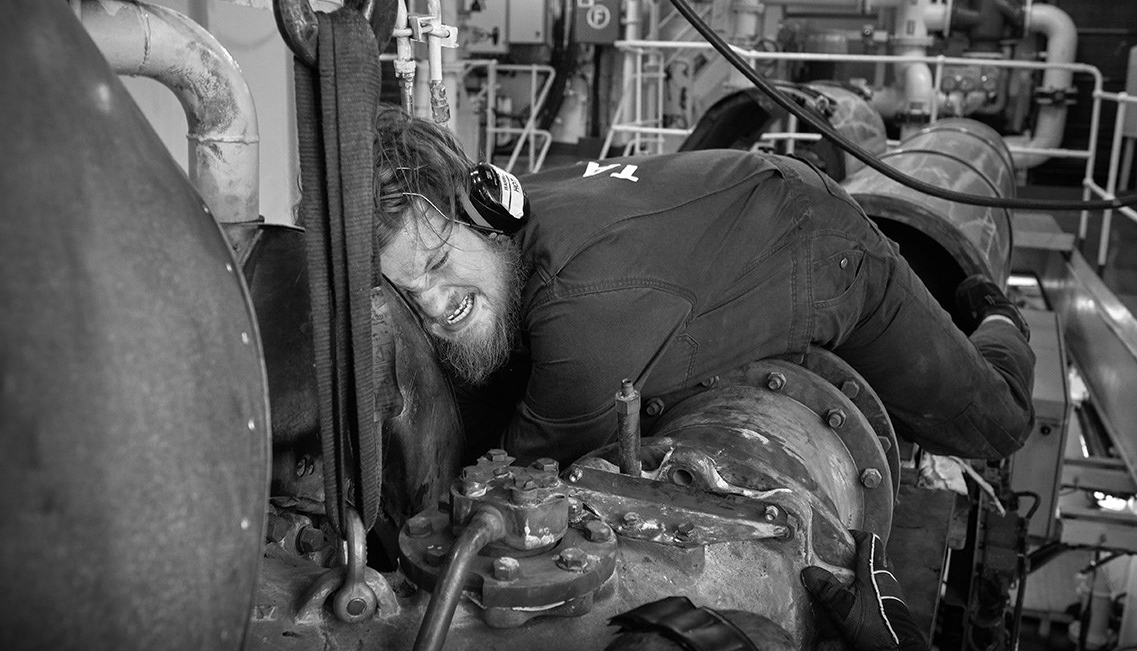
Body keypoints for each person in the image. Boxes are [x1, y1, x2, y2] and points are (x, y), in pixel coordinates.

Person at [374, 107, 1035, 465]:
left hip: (819, 242)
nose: (431, 307)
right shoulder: (512, 216)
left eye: (435, 266)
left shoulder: (584, 316)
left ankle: (999, 319)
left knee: (995, 427)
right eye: (408, 292)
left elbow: (521, 474)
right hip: (717, 214)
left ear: (482, 213)